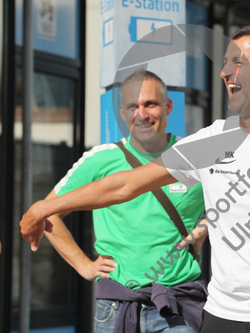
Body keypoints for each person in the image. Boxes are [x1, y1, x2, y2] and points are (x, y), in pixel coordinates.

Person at [21, 24, 250, 333]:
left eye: (238, 63)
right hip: (221, 315)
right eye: (225, 64)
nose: (226, 73)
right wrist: (45, 206)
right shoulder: (212, 141)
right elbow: (126, 184)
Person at [40, 70, 207, 333]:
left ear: (168, 106)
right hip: (116, 307)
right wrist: (84, 265)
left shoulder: (193, 158)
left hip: (177, 306)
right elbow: (48, 213)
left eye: (150, 104)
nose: (141, 114)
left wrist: (203, 229)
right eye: (133, 106)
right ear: (122, 112)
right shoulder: (100, 159)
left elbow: (234, 202)